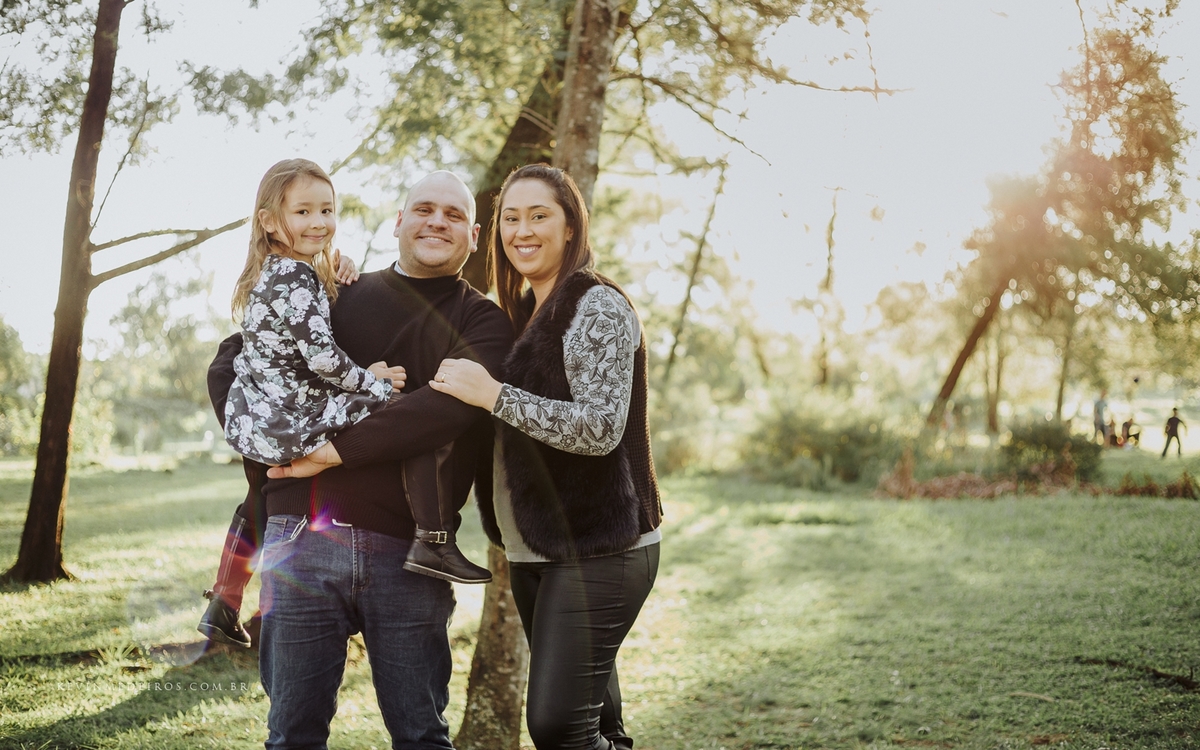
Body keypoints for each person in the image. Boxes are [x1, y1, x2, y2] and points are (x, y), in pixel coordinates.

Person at [210, 169, 514, 748]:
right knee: (291, 734)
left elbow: (439, 413)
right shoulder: (331, 290)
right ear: (398, 222)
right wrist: (271, 448)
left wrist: (329, 452)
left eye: (454, 215)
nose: (437, 221)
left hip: (414, 552)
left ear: (474, 236)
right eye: (424, 209)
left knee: (421, 735)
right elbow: (234, 361)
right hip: (299, 539)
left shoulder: (484, 322)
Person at [428, 164, 664, 750]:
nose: (523, 230)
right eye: (511, 218)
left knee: (558, 728)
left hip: (602, 547)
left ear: (569, 227)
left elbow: (601, 429)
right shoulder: (516, 313)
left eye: (540, 216)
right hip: (535, 550)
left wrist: (495, 395)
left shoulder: (597, 307)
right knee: (598, 726)